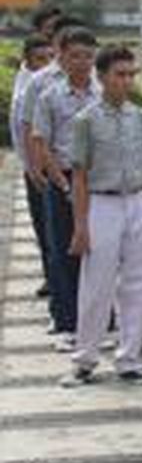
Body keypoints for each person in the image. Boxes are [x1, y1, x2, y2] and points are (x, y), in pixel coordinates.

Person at [66, 45, 142, 386]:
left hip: (136, 200)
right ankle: (85, 358)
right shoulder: (86, 121)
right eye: (119, 75)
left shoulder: (140, 118)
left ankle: (130, 359)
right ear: (102, 77)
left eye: (130, 75)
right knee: (97, 282)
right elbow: (78, 175)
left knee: (138, 282)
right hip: (102, 203)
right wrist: (80, 225)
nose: (126, 81)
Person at [31, 28, 100, 345]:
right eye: (75, 56)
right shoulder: (50, 96)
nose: (82, 62)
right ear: (62, 58)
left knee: (100, 252)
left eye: (88, 56)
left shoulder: (103, 92)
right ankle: (67, 321)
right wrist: (61, 184)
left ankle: (101, 319)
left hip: (99, 182)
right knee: (64, 249)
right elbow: (42, 143)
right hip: (64, 179)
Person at [10, 35, 56, 296]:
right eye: (40, 59)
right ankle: (53, 278)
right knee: (46, 227)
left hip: (60, 167)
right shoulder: (26, 90)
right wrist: (32, 169)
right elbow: (21, 133)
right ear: (27, 61)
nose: (46, 64)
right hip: (37, 170)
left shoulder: (51, 83)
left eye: (50, 58)